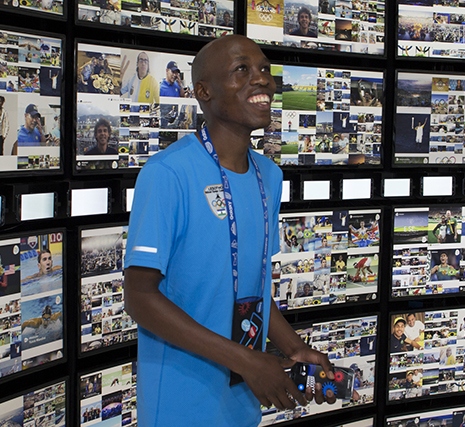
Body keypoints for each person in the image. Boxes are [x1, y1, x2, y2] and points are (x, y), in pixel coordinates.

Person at [123, 35, 337, 427]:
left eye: (265, 71)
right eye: (242, 70)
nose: (262, 81)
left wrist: (293, 348)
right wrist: (247, 360)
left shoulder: (269, 176)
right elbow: (139, 299)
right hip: (180, 403)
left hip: (242, 399)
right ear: (203, 91)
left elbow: (249, 288)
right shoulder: (166, 173)